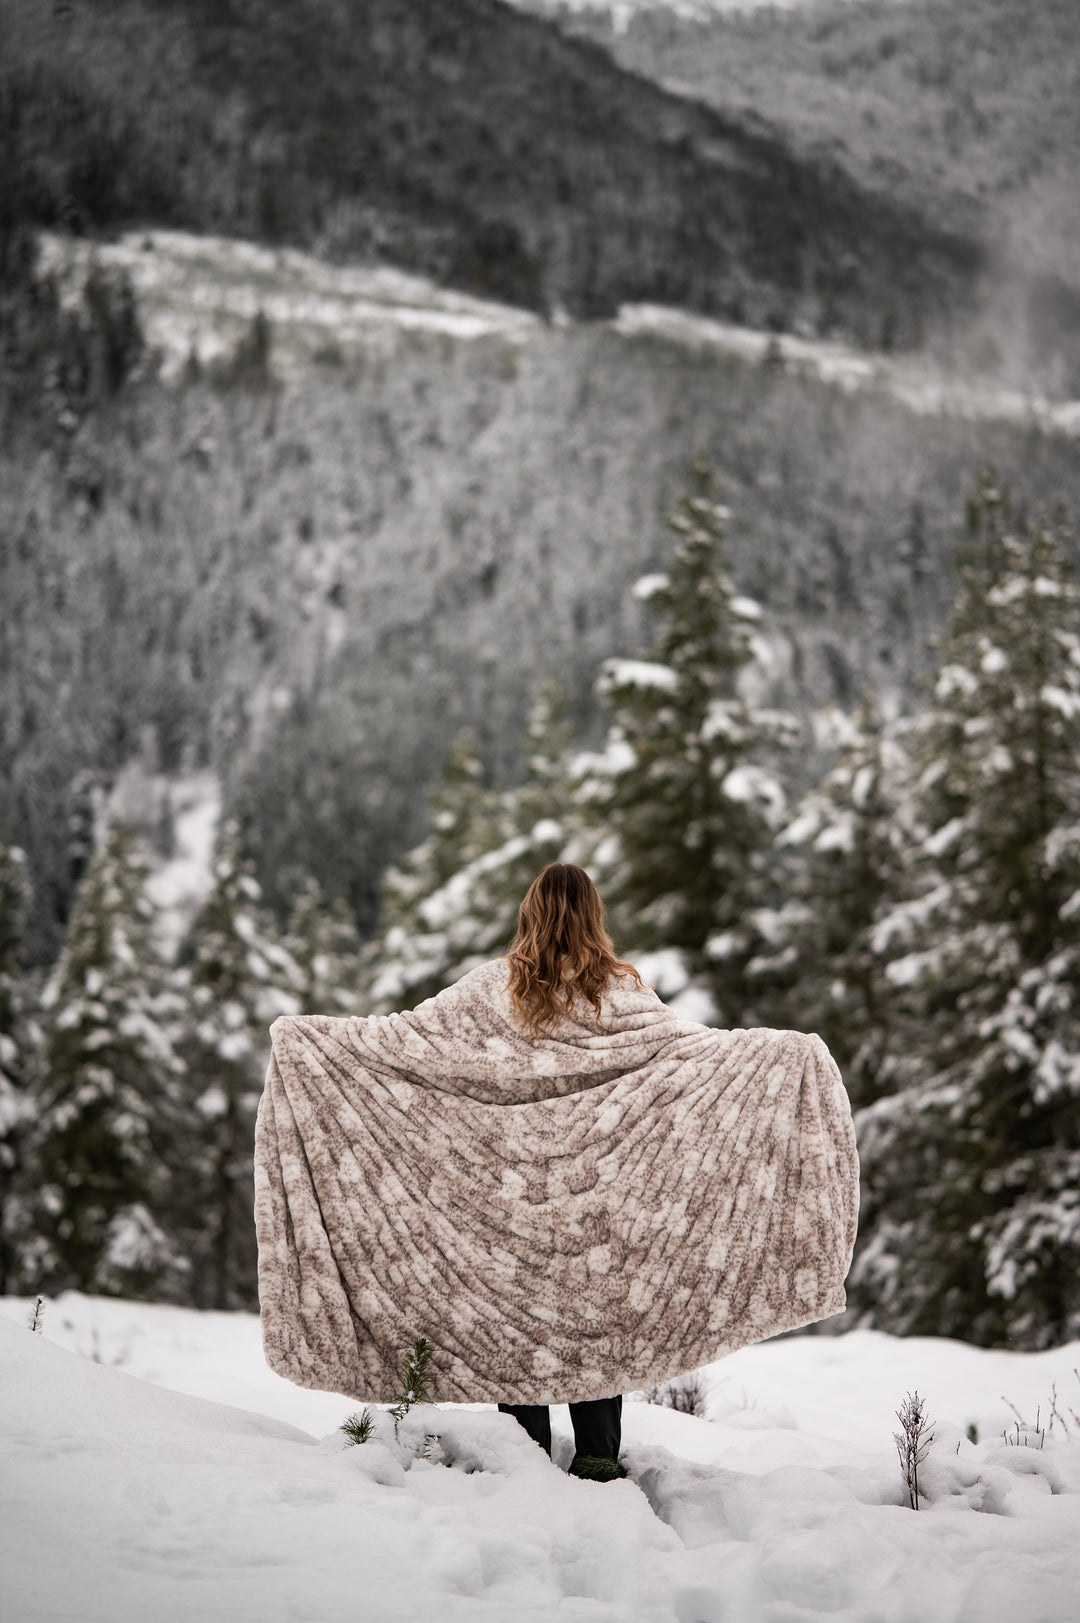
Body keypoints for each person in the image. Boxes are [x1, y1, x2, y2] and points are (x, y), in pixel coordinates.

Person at [494, 860, 645, 1483]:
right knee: (591, 1319)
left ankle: (523, 1457)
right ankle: (597, 1457)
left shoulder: (495, 991)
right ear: (594, 915)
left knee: (521, 1317)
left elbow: (413, 1045)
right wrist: (783, 1050)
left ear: (530, 911)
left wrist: (314, 1040)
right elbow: (688, 1056)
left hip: (517, 1189)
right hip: (594, 1191)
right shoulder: (623, 993)